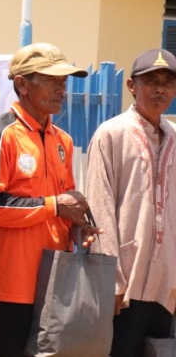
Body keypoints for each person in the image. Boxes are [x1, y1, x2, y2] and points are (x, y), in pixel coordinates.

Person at [0, 42, 99, 357]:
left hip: (55, 279)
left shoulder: (64, 141)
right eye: (53, 80)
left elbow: (65, 203)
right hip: (12, 283)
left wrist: (77, 226)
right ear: (22, 84)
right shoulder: (2, 134)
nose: (62, 89)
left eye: (65, 81)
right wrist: (55, 205)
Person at [85, 49, 176, 356]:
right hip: (124, 284)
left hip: (167, 284)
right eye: (151, 81)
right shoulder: (111, 134)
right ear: (132, 86)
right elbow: (99, 207)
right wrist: (109, 277)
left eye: (167, 82)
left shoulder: (175, 138)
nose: (160, 89)